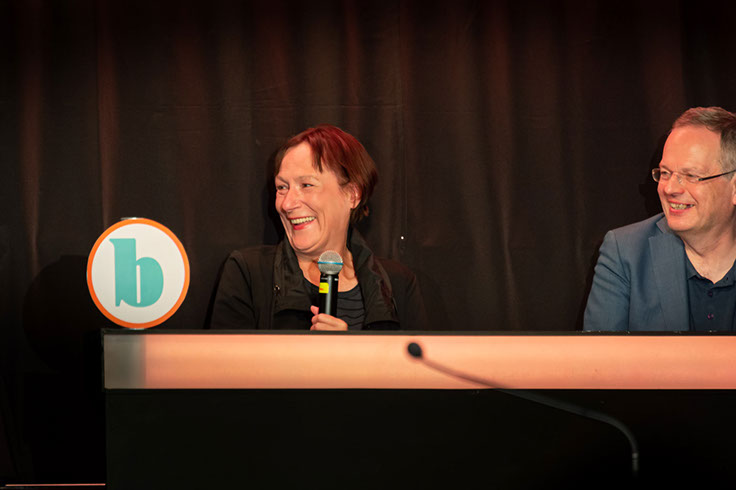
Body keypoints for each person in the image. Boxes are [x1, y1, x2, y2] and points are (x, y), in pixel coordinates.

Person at [210, 124, 427, 330]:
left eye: (306, 185)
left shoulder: (398, 285)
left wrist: (347, 352)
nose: (287, 204)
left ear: (352, 195)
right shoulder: (249, 274)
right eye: (282, 187)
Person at [584, 107, 736, 331]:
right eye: (665, 173)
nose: (670, 188)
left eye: (691, 175)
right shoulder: (625, 253)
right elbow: (599, 353)